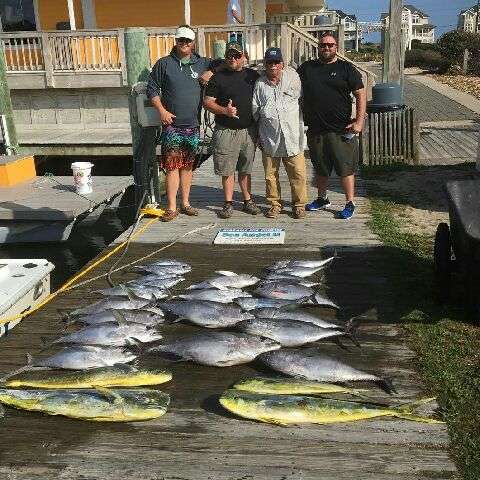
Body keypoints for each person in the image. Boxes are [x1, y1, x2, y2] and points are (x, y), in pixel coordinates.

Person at [147, 25, 217, 222]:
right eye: (180, 40)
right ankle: (171, 206)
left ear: (193, 42)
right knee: (172, 166)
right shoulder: (164, 63)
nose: (184, 44)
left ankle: (185, 203)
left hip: (193, 126)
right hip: (172, 126)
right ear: (175, 41)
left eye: (187, 40)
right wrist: (162, 111)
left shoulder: (202, 62)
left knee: (187, 166)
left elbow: (222, 63)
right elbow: (152, 89)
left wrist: (211, 72)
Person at [298, 33, 366, 220]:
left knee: (345, 169)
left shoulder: (346, 68)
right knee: (320, 168)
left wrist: (359, 122)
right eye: (323, 45)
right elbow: (286, 77)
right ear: (318, 47)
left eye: (330, 45)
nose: (326, 48)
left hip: (342, 129)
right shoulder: (307, 68)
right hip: (316, 130)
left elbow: (360, 93)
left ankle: (349, 202)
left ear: (336, 47)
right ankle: (322, 199)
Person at [203, 41, 260, 219]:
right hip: (225, 130)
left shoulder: (253, 75)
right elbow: (207, 102)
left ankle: (247, 200)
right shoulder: (218, 77)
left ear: (244, 56)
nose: (233, 59)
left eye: (237, 55)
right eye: (229, 55)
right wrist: (224, 111)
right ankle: (228, 203)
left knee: (246, 168)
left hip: (248, 130)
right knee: (227, 170)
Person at [252, 47, 308, 219]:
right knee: (270, 176)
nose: (273, 66)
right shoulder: (259, 84)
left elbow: (303, 101)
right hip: (270, 138)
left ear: (282, 64)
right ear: (264, 64)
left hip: (292, 137)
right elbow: (255, 110)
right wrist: (258, 136)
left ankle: (299, 205)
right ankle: (275, 204)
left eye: (276, 62)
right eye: (269, 62)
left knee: (298, 174)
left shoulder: (293, 77)